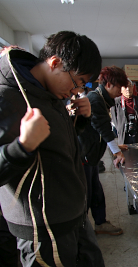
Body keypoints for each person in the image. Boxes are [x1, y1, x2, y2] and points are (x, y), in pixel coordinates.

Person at [0, 32, 104, 266]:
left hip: (72, 212)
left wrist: (80, 120)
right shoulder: (7, 95)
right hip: (43, 227)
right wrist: (22, 146)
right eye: (76, 82)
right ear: (55, 62)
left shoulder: (48, 91)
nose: (77, 90)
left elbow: (54, 144)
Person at [78, 66, 127, 236]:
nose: (121, 92)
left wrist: (114, 145)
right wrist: (116, 152)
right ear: (108, 84)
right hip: (84, 156)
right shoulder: (95, 99)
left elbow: (102, 131)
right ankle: (81, 231)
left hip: (91, 156)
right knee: (86, 194)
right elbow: (102, 128)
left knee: (96, 192)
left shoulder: (102, 100)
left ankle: (100, 223)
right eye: (119, 87)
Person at [111, 78, 138, 146]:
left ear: (133, 87)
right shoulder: (115, 102)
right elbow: (115, 119)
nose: (128, 89)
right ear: (120, 89)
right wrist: (121, 128)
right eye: (125, 86)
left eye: (130, 86)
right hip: (123, 133)